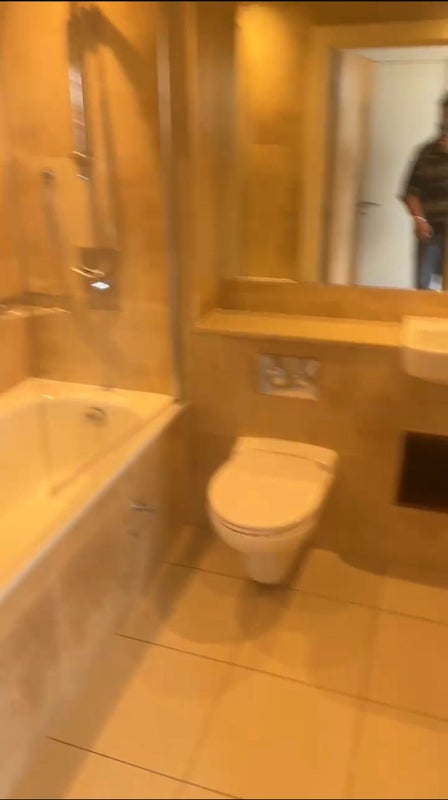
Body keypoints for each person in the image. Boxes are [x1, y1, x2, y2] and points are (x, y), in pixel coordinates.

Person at [402, 92, 448, 290]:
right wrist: (419, 220)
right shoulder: (426, 152)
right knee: (422, 289)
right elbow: (411, 191)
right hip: (430, 233)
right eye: (445, 116)